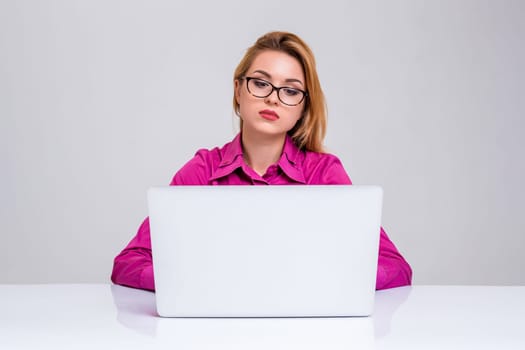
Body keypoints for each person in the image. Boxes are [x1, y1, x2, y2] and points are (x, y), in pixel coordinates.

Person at [111, 31, 412, 291]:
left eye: (291, 90)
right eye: (260, 83)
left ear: (302, 108)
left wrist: (309, 279)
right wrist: (200, 279)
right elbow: (128, 263)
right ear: (238, 90)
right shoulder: (203, 171)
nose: (273, 99)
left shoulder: (324, 173)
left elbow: (394, 266)